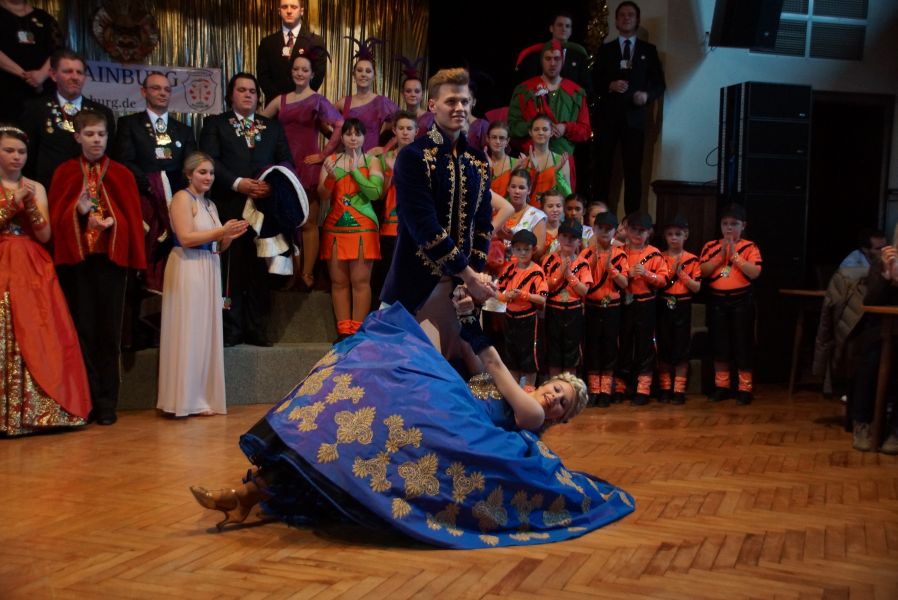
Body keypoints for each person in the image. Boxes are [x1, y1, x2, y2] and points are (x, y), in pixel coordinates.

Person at [189, 298, 635, 547]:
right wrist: (459, 311)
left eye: (563, 403)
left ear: (560, 417)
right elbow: (472, 361)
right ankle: (248, 493)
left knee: (369, 420)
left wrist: (469, 316)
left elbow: (493, 364)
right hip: (447, 404)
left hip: (454, 424)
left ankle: (247, 495)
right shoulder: (521, 390)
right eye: (557, 388)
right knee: (353, 411)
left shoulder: (531, 414)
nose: (554, 398)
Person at [380, 68, 494, 367]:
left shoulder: (479, 161)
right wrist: (469, 275)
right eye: (451, 101)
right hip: (414, 284)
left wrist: (473, 277)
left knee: (476, 375)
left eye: (465, 101)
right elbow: (424, 227)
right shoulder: (413, 156)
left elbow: (483, 226)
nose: (459, 108)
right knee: (407, 373)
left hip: (461, 290)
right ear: (432, 105)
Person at [49, 110, 146, 426]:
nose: (96, 140)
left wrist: (112, 222)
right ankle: (86, 400)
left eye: (101, 135)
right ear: (77, 137)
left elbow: (131, 220)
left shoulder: (121, 174)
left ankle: (107, 403)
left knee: (109, 332)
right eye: (89, 134)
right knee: (83, 331)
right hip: (78, 265)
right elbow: (55, 221)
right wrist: (77, 213)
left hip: (111, 264)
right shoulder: (65, 172)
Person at [0, 124, 90, 435]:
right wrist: (12, 203)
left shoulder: (35, 187)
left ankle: (41, 411)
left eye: (21, 152)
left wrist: (28, 204)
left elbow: (44, 234)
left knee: (38, 331)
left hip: (30, 263)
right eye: (9, 150)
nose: (16, 157)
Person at [199, 72, 294, 347]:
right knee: (231, 270)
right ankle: (231, 329)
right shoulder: (216, 124)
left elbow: (286, 162)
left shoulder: (272, 127)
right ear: (231, 95)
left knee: (260, 271)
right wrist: (238, 183)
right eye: (242, 90)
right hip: (229, 205)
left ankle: (257, 329)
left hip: (264, 210)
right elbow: (209, 160)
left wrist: (272, 186)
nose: (248, 95)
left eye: (252, 91)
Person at [157, 152, 248, 417]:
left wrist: (229, 236)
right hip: (188, 266)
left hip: (208, 265)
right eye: (202, 172)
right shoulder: (182, 199)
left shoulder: (210, 204)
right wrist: (222, 231)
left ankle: (202, 396)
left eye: (211, 173)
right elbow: (186, 238)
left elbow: (216, 245)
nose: (208, 177)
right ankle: (183, 399)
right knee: (189, 329)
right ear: (189, 174)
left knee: (205, 330)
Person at [113, 72, 197, 351]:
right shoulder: (129, 125)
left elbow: (190, 168)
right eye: (155, 88)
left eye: (166, 89)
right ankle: (136, 335)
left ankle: (170, 332)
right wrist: (152, 187)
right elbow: (124, 161)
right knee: (141, 267)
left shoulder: (183, 130)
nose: (162, 93)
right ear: (143, 92)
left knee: (173, 268)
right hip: (144, 208)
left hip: (176, 212)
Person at [259, 53, 343, 290]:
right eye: (296, 69)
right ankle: (292, 273)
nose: (300, 73)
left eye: (305, 70)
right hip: (285, 166)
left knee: (308, 223)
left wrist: (324, 154)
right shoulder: (280, 100)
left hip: (307, 165)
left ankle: (307, 272)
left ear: (312, 74)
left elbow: (340, 124)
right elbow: (258, 123)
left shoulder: (318, 100)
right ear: (291, 72)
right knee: (287, 221)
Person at [593, 1, 666, 215]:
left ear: (637, 20)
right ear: (616, 21)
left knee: (633, 171)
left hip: (635, 120)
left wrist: (646, 95)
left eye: (631, 15)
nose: (626, 18)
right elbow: (594, 81)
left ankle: (632, 220)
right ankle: (599, 216)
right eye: (622, 15)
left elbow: (659, 84)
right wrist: (610, 85)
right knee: (603, 169)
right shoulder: (606, 50)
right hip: (607, 119)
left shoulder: (648, 51)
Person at [318, 119, 384, 339]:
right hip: (334, 228)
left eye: (358, 134)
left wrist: (356, 171)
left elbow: (375, 193)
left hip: (364, 228)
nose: (353, 138)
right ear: (342, 137)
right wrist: (330, 178)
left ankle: (358, 333)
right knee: (338, 282)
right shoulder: (331, 160)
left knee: (360, 282)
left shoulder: (372, 161)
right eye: (348, 134)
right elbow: (323, 196)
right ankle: (344, 332)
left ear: (364, 137)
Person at [21, 48, 115, 189]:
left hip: (91, 189)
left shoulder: (102, 112)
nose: (75, 77)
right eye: (68, 71)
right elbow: (28, 155)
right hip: (49, 189)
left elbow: (110, 155)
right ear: (53, 75)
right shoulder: (36, 109)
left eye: (79, 72)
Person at [699, 203, 762, 405]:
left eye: (734, 224)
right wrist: (720, 257)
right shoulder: (710, 246)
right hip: (717, 301)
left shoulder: (750, 247)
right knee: (720, 345)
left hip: (741, 301)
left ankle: (745, 388)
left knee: (743, 344)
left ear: (743, 225)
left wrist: (734, 256)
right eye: (725, 223)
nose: (728, 228)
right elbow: (702, 272)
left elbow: (755, 272)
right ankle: (722, 387)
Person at [508, 41, 591, 189]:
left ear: (562, 60)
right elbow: (512, 127)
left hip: (563, 162)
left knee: (562, 202)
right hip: (531, 161)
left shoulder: (576, 93)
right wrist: (535, 126)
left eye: (556, 58)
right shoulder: (524, 90)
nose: (552, 63)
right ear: (541, 60)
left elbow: (585, 131)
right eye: (548, 58)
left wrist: (565, 128)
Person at [848, 223, 898, 453]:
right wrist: (887, 276)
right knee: (871, 359)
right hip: (878, 329)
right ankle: (862, 423)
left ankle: (895, 430)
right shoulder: (881, 263)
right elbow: (871, 302)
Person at [616, 210, 668, 405]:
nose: (637, 234)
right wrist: (625, 274)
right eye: (634, 230)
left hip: (646, 303)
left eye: (642, 231)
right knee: (623, 344)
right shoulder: (619, 252)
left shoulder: (654, 253)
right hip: (624, 303)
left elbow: (663, 280)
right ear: (627, 230)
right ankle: (620, 387)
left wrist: (647, 274)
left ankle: (643, 388)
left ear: (649, 233)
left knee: (645, 346)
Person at [581, 211, 629, 407]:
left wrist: (611, 269)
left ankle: (605, 390)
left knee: (610, 347)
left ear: (615, 231)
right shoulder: (586, 253)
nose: (604, 232)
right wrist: (593, 263)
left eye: (608, 229)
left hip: (612, 307)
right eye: (600, 228)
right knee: (592, 347)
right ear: (594, 229)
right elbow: (582, 281)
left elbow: (625, 283)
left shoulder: (620, 254)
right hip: (592, 306)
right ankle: (593, 390)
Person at [371, 110, 417, 310]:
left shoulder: (423, 158)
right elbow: (379, 196)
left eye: (409, 128)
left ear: (416, 131)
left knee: (411, 278)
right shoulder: (384, 158)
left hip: (414, 228)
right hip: (389, 227)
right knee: (387, 277)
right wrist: (390, 174)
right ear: (394, 131)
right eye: (401, 128)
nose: (405, 132)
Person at [656, 214, 700, 405]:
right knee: (664, 345)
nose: (674, 238)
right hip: (663, 303)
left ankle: (679, 390)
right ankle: (665, 388)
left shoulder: (692, 259)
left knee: (681, 348)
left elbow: (696, 287)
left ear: (686, 235)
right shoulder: (659, 257)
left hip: (682, 304)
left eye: (678, 234)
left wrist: (681, 274)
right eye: (670, 234)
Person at [495, 230, 547, 387]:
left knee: (529, 357)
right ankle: (514, 391)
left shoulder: (537, 271)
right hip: (510, 318)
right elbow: (497, 291)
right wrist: (506, 296)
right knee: (511, 356)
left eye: (526, 249)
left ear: (534, 250)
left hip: (528, 319)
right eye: (518, 249)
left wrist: (524, 295)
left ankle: (529, 391)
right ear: (512, 250)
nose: (522, 253)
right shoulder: (509, 268)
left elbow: (542, 299)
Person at [542, 218, 592, 376]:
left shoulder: (583, 263)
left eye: (573, 237)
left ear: (579, 241)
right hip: (553, 309)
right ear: (558, 238)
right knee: (553, 349)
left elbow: (584, 291)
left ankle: (570, 387)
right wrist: (559, 273)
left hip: (573, 311)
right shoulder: (549, 260)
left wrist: (569, 275)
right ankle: (554, 384)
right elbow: (544, 288)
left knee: (572, 350)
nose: (568, 240)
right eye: (565, 236)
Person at [0, 0, 62, 124]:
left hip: (42, 90)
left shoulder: (44, 18)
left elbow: (58, 51)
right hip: (5, 91)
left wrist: (41, 75)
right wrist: (26, 76)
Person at [336, 39, 399, 155]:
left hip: (372, 159)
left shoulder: (382, 102)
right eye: (359, 70)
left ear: (374, 76)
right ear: (353, 75)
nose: (363, 74)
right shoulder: (343, 103)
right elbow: (323, 122)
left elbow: (403, 124)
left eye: (368, 71)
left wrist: (386, 147)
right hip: (348, 157)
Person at [256, 0, 327, 102]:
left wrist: (299, 99)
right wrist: (280, 102)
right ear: (279, 11)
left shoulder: (316, 41)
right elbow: (263, 77)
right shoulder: (267, 43)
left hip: (304, 104)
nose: (289, 11)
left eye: (294, 7)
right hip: (275, 105)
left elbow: (318, 75)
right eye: (284, 7)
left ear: (301, 11)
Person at [496, 168, 547, 260]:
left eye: (521, 188)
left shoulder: (537, 216)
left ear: (529, 190)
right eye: (513, 187)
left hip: (521, 266)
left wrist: (514, 238)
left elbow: (539, 251)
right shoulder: (499, 211)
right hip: (496, 263)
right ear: (508, 188)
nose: (517, 191)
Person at [520, 115, 571, 207]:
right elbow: (520, 197)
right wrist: (532, 171)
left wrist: (557, 173)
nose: (540, 132)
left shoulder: (561, 160)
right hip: (531, 213)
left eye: (545, 129)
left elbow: (568, 196)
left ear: (551, 132)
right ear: (530, 132)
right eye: (536, 129)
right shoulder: (524, 162)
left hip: (554, 213)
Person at [486, 121, 517, 198]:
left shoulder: (517, 164)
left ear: (507, 141)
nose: (498, 141)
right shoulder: (481, 164)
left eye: (502, 138)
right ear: (488, 139)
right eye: (494, 137)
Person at [541, 188, 565, 256]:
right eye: (550, 206)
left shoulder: (568, 229)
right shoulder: (537, 231)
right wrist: (554, 253)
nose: (555, 210)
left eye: (558, 206)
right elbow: (535, 259)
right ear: (542, 208)